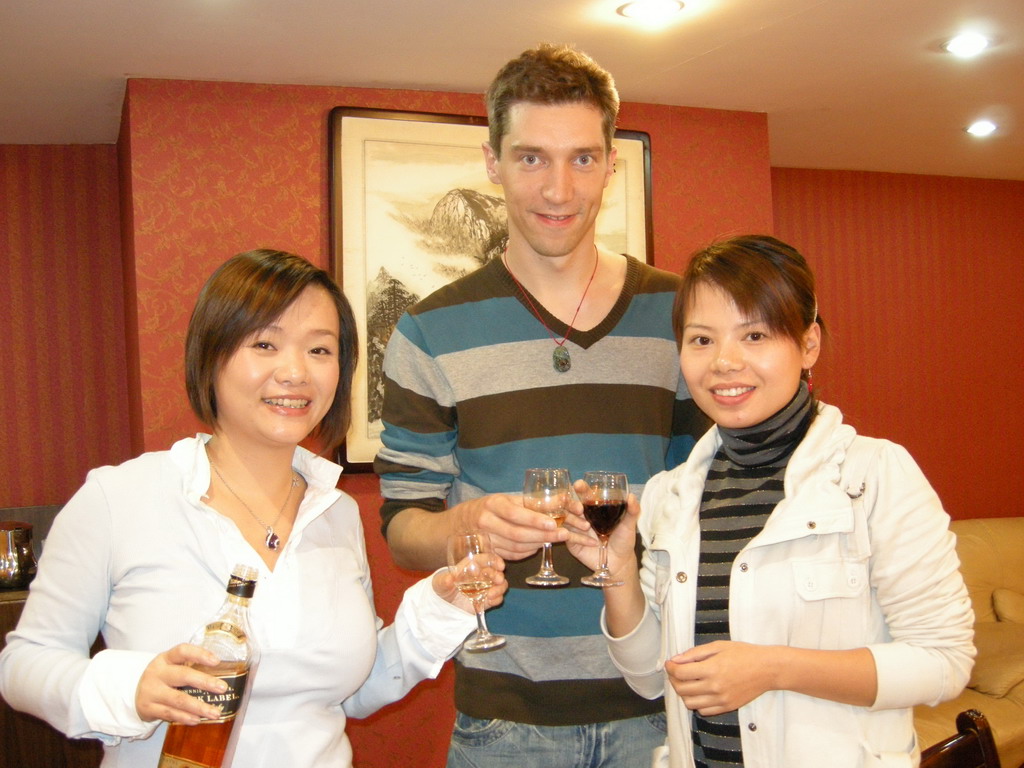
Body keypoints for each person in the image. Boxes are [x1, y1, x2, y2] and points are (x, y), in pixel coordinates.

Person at [0, 249, 506, 768]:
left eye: (320, 350)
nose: (295, 373)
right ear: (212, 355)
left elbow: (350, 690)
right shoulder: (119, 498)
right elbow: (23, 666)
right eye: (264, 343)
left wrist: (440, 608)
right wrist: (132, 687)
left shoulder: (334, 511)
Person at [374, 44, 707, 767]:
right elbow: (403, 529)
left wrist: (641, 519)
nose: (558, 189)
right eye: (531, 158)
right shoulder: (428, 333)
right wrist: (467, 524)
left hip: (663, 702)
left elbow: (709, 495)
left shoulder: (684, 317)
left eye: (582, 159)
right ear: (491, 160)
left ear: (611, 163)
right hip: (504, 719)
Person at [574, 234, 975, 767]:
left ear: (808, 345)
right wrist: (619, 565)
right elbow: (651, 677)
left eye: (755, 334)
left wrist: (773, 668)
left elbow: (943, 661)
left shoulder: (874, 475)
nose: (724, 362)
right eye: (701, 340)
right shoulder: (674, 493)